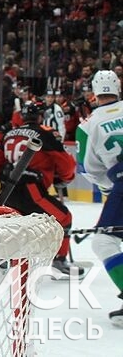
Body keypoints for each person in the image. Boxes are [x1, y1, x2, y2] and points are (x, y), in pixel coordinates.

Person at [0, 99, 80, 276]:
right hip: (31, 190)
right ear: (41, 116)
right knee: (64, 217)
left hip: (7, 190)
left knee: (15, 224)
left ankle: (7, 257)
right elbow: (65, 162)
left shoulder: (10, 133)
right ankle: (60, 260)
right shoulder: (45, 132)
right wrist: (65, 178)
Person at [74, 70, 123, 326]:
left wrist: (110, 187)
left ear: (94, 91)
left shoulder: (88, 124)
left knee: (104, 241)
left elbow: (87, 169)